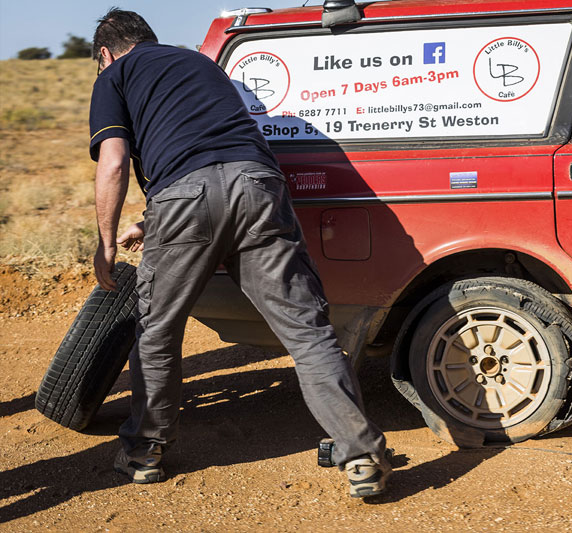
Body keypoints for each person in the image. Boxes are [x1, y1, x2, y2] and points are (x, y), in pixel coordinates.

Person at [89, 8, 390, 498]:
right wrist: (153, 222)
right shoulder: (201, 64)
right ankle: (360, 454)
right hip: (258, 185)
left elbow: (115, 160)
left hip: (184, 198)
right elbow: (213, 156)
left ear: (105, 52)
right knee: (308, 332)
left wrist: (104, 242)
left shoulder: (115, 74)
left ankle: (145, 452)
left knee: (158, 331)